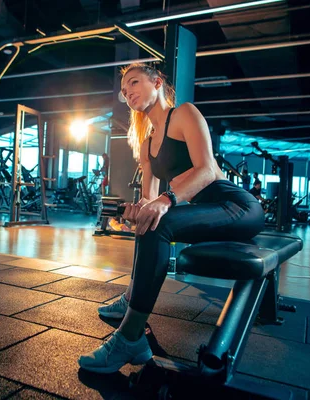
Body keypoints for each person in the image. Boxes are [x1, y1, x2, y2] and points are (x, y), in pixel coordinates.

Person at [77, 63, 265, 373]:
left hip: (237, 207)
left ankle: (129, 337)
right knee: (150, 220)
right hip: (204, 210)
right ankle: (131, 298)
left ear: (157, 81)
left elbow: (206, 170)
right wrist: (138, 211)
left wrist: (167, 199)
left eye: (134, 82)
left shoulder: (184, 114)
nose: (128, 93)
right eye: (124, 91)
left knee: (160, 218)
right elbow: (150, 199)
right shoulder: (148, 143)